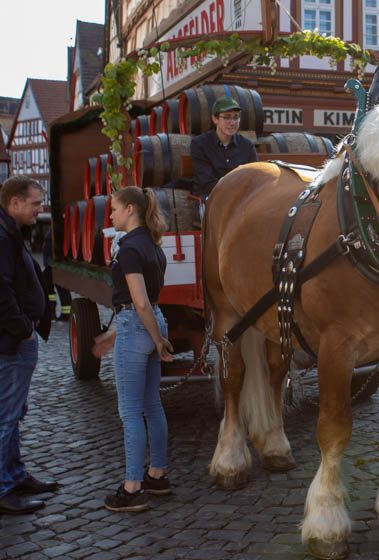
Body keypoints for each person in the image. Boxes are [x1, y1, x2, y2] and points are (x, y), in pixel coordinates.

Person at [103, 186, 174, 513]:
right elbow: (149, 302)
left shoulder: (130, 247)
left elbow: (138, 300)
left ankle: (132, 487)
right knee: (152, 405)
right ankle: (157, 474)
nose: (111, 215)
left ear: (130, 209)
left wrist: (155, 340)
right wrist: (157, 336)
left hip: (138, 325)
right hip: (153, 321)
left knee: (130, 411)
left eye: (114, 209)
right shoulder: (153, 245)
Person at [0, 175, 56, 515]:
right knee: (6, 415)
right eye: (35, 203)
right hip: (11, 342)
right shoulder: (3, 237)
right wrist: (23, 329)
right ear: (15, 203)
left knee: (14, 413)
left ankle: (15, 475)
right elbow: (1, 291)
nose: (40, 208)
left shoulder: (10, 232)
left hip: (16, 339)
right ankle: (3, 488)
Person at [190, 96, 258, 198]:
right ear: (215, 119)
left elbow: (253, 177)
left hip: (240, 199)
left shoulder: (247, 146)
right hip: (211, 197)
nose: (232, 122)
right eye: (227, 117)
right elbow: (206, 182)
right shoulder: (199, 144)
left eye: (236, 117)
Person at [41, 228, 71, 321]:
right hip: (51, 265)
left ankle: (65, 314)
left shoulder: (57, 231)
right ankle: (52, 312)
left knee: (62, 290)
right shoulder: (54, 230)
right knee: (49, 291)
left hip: (56, 266)